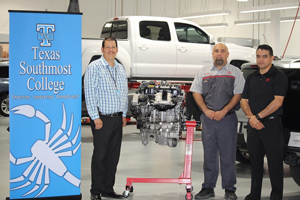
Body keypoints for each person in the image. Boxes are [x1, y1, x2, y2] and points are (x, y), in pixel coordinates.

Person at [190, 43, 245, 200]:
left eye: (222, 51)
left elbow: (238, 94)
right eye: (216, 51)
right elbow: (196, 92)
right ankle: (208, 187)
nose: (219, 54)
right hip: (208, 120)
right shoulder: (203, 72)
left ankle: (229, 189)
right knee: (209, 155)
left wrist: (224, 111)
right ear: (212, 54)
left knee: (228, 155)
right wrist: (206, 111)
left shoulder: (235, 73)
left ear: (227, 54)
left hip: (227, 120)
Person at [241, 44, 288, 200]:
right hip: (254, 126)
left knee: (274, 164)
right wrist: (251, 117)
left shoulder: (279, 76)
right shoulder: (251, 77)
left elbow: (278, 102)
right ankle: (254, 195)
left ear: (272, 58)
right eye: (258, 56)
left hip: (272, 126)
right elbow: (243, 101)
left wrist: (258, 117)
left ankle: (276, 196)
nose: (261, 60)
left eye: (265, 56)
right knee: (255, 162)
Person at [84, 37, 128, 200]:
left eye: (113, 47)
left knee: (113, 157)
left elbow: (123, 93)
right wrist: (95, 117)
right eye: (107, 47)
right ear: (102, 49)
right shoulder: (94, 67)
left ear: (117, 49)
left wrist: (124, 114)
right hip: (102, 119)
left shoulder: (120, 68)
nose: (111, 50)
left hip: (117, 119)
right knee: (100, 156)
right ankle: (96, 190)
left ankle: (108, 189)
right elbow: (90, 94)